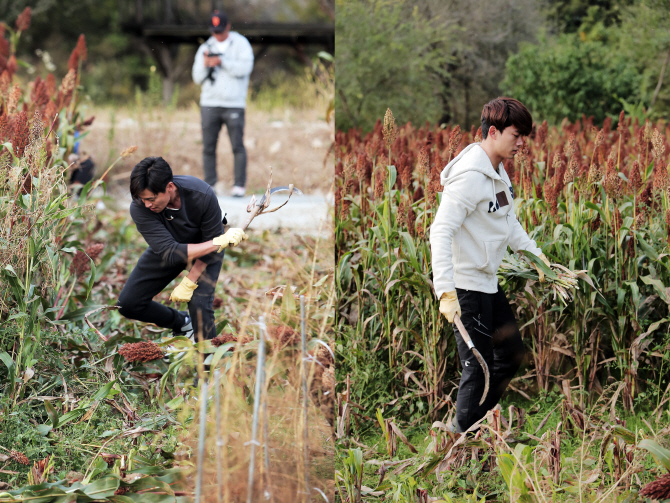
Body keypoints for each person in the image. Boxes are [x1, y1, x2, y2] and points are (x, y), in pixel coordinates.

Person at [429, 97, 552, 433]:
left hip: (487, 283)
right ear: (494, 131)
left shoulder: (496, 170)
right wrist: (445, 292)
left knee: (512, 354)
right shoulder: (471, 176)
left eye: (525, 136)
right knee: (478, 368)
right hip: (465, 288)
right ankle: (460, 444)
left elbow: (507, 221)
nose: (522, 143)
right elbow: (440, 230)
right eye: (517, 135)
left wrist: (536, 256)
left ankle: (477, 425)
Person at [117, 156, 248, 343]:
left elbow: (211, 244)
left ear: (169, 187)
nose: (147, 205)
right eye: (143, 199)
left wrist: (191, 279)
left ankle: (206, 367)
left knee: (199, 304)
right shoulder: (140, 207)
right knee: (128, 304)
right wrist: (220, 242)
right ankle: (182, 323)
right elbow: (170, 252)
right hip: (169, 247)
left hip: (207, 249)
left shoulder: (201, 194)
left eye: (151, 199)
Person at [191, 9, 254, 197]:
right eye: (214, 31)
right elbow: (196, 77)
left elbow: (245, 68)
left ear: (228, 26)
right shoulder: (206, 47)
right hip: (210, 103)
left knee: (237, 145)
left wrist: (222, 61)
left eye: (220, 31)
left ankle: (239, 185)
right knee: (208, 146)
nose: (217, 35)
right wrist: (206, 64)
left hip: (234, 103)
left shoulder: (241, 44)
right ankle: (210, 184)